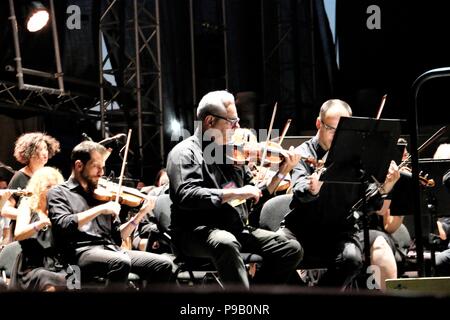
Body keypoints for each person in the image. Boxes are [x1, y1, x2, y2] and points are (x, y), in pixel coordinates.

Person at [166, 90, 303, 289]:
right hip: (195, 232)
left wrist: (282, 173)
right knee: (226, 242)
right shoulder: (185, 153)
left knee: (290, 248)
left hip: (233, 229)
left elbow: (254, 195)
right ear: (210, 121)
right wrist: (236, 192)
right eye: (232, 121)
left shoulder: (230, 154)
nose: (238, 127)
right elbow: (186, 195)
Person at [280, 99, 400, 290]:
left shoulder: (356, 159)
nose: (337, 137)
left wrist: (385, 188)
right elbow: (300, 189)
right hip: (302, 228)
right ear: (319, 124)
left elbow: (367, 202)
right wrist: (313, 189)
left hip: (338, 230)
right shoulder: (304, 153)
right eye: (331, 129)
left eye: (342, 131)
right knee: (276, 251)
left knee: (352, 260)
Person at [47, 141, 173, 288]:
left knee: (164, 264)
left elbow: (117, 237)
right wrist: (99, 210)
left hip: (111, 250)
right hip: (78, 253)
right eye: (96, 167)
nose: (101, 173)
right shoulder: (58, 192)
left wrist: (139, 215)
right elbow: (63, 224)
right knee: (120, 262)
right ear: (79, 165)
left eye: (103, 167)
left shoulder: (102, 194)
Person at [10, 167, 67, 291]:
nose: (53, 190)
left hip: (57, 263)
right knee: (48, 281)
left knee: (77, 274)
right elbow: (18, 234)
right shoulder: (27, 205)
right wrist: (40, 224)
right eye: (48, 186)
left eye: (56, 186)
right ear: (38, 188)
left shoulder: (60, 208)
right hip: (32, 265)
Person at [1, 132, 60, 244]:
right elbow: (5, 210)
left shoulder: (49, 176)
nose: (45, 152)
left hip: (46, 234)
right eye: (40, 149)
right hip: (25, 234)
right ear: (30, 152)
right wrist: (29, 217)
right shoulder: (20, 176)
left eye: (46, 149)